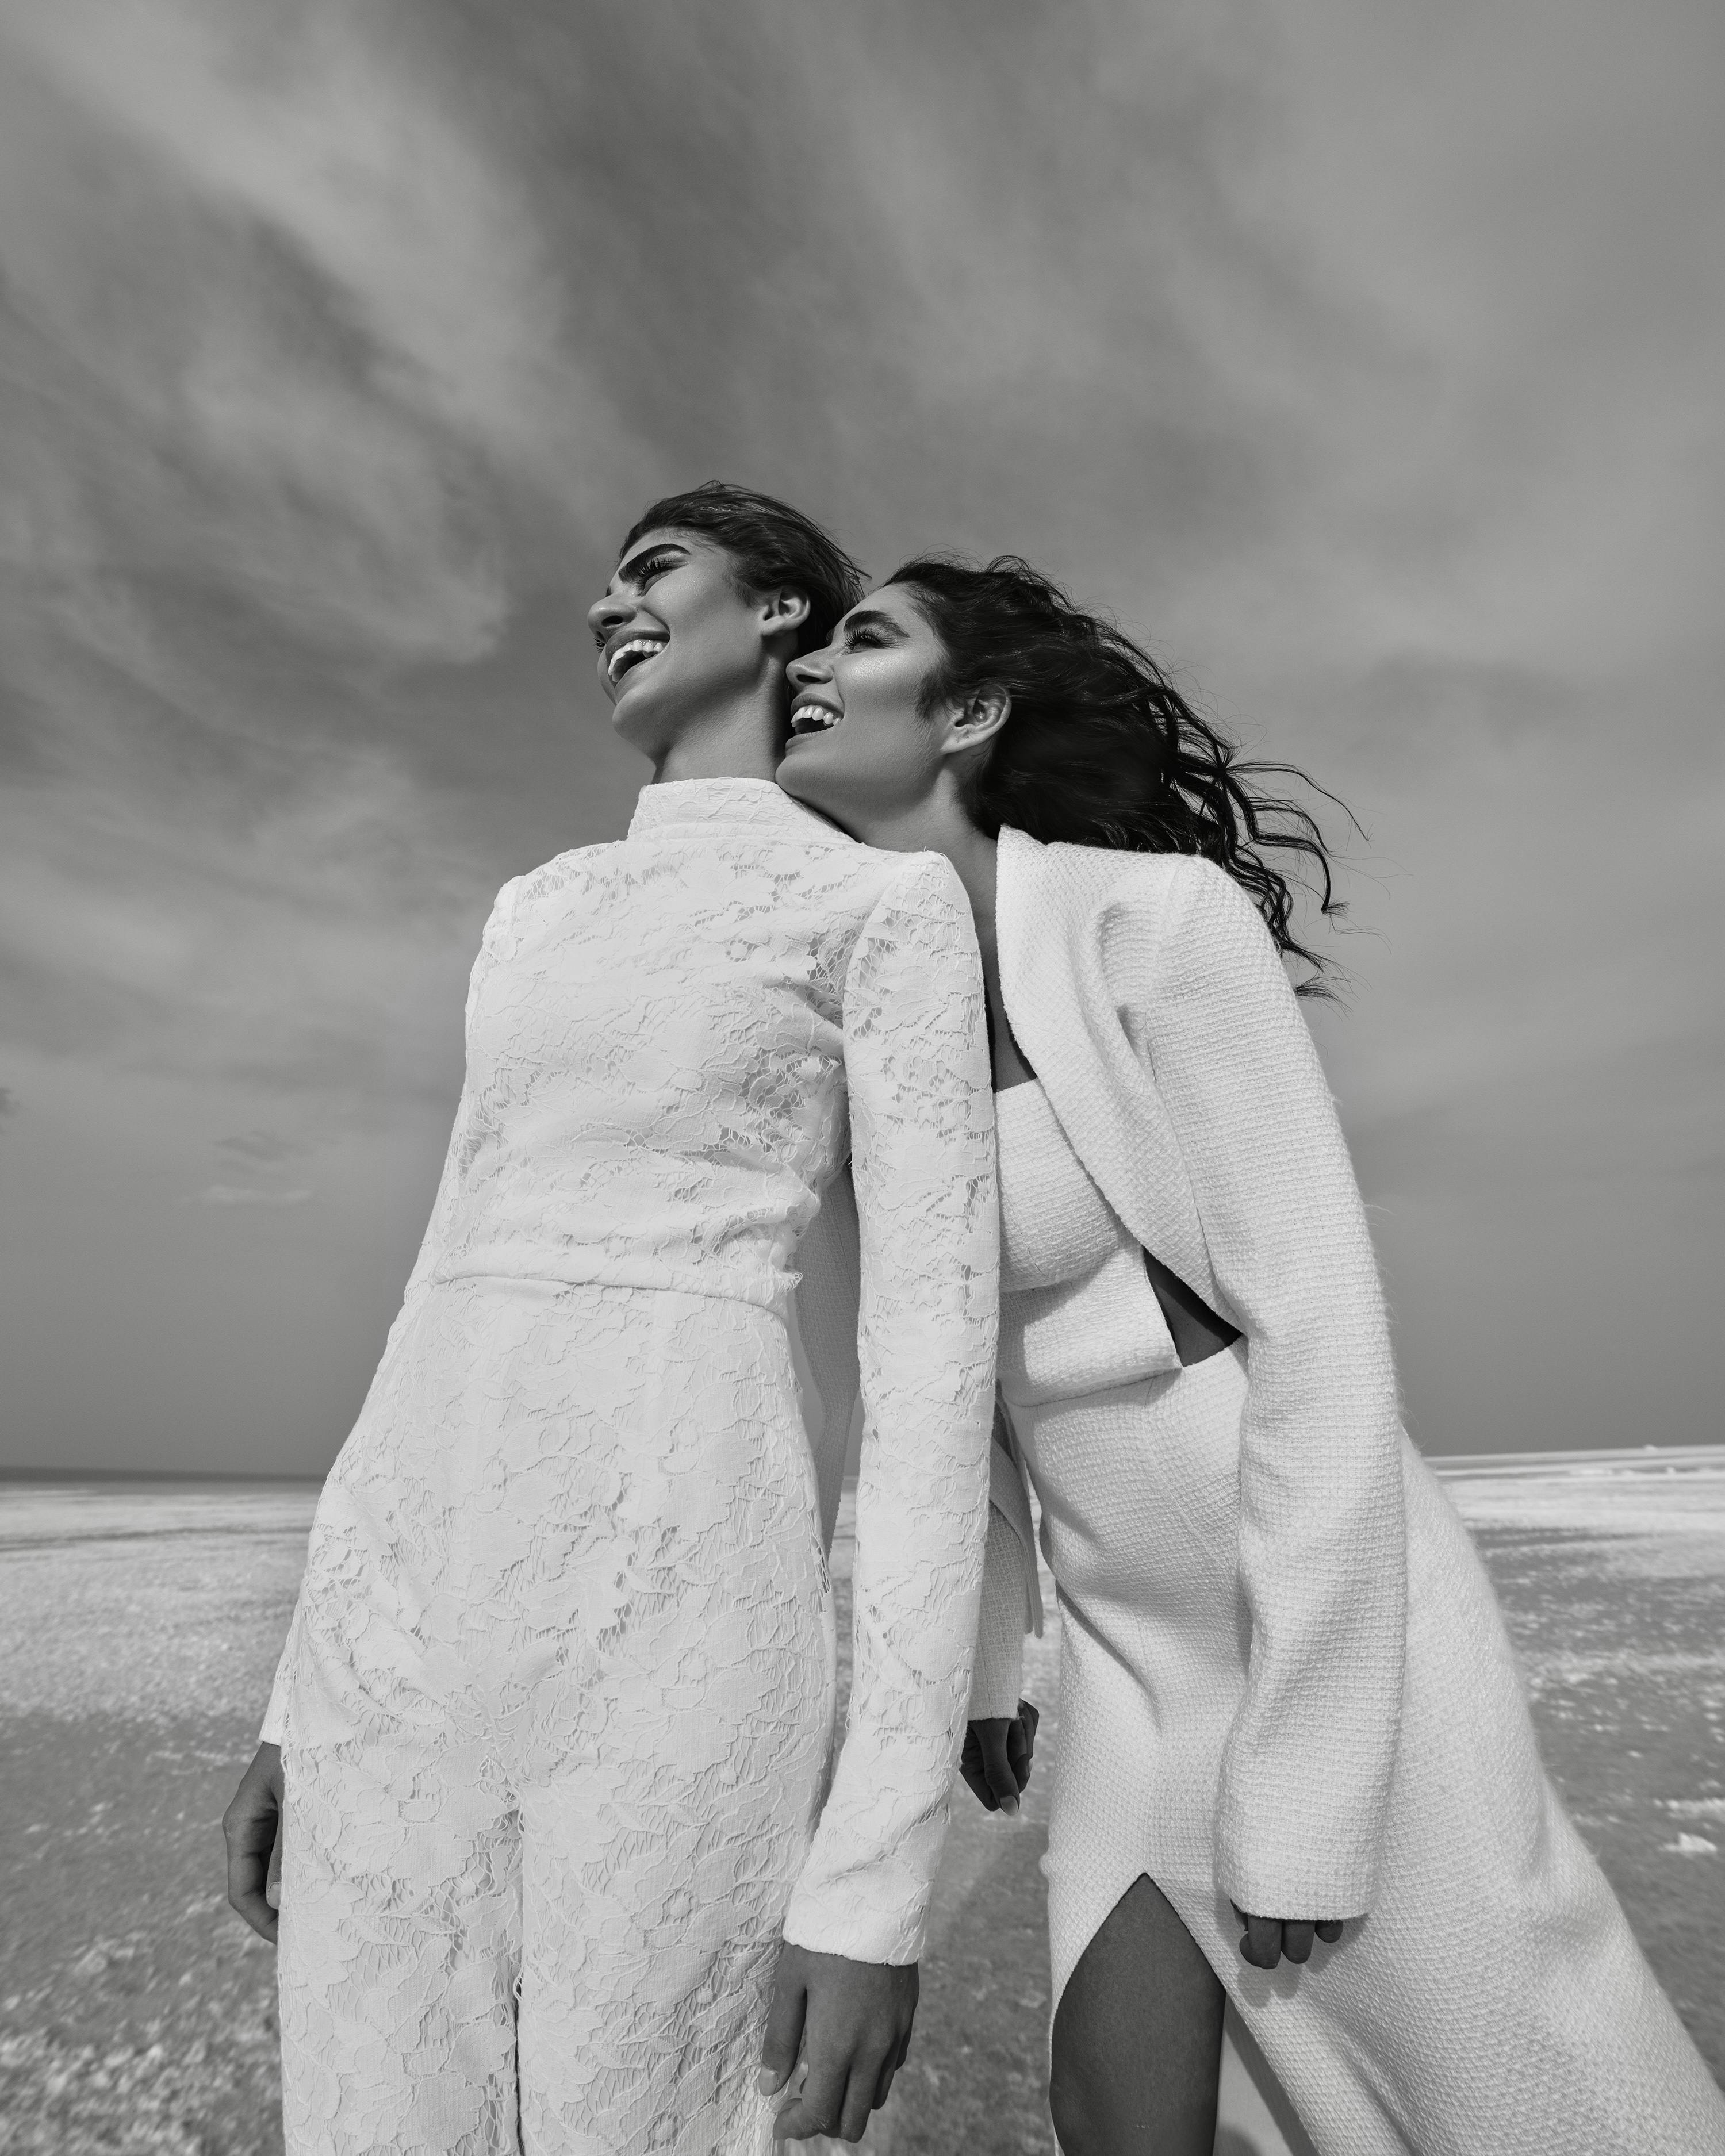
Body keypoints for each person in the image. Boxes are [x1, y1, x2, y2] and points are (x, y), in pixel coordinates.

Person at [776, 554, 1725, 2156]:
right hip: (1130, 1657)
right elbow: (955, 1382)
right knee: (1117, 2109)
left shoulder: (1155, 922)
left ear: (972, 712)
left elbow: (1325, 1337)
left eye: (867, 640)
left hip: (1329, 1628)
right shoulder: (870, 1019)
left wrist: (1304, 1779)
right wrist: (995, 1646)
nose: (814, 665)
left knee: (1525, 2090)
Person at [221, 485, 1000, 2154]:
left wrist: (872, 1884)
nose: (605, 606)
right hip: (404, 1630)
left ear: (780, 611)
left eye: (654, 571)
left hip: (683, 1619)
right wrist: (298, 1695)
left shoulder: (880, 910)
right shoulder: (534, 909)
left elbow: (932, 1376)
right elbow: (435, 1281)